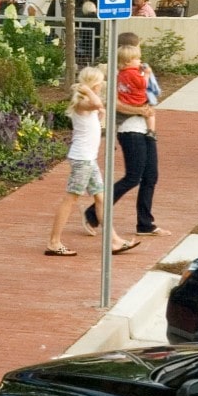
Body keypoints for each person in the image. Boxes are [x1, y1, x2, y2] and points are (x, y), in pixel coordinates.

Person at [48, 66, 136, 256]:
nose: (100, 88)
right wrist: (87, 90)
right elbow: (96, 104)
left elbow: (98, 107)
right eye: (99, 84)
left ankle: (114, 241)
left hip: (89, 159)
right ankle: (54, 242)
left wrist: (100, 112)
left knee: (101, 199)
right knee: (70, 199)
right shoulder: (82, 103)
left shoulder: (88, 103)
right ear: (94, 85)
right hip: (82, 159)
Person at [87, 34, 166, 238]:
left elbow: (150, 94)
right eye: (137, 52)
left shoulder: (139, 72)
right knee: (133, 177)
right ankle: (92, 213)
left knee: (151, 176)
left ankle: (145, 223)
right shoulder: (118, 75)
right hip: (129, 129)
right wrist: (140, 111)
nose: (140, 58)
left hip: (146, 128)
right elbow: (115, 104)